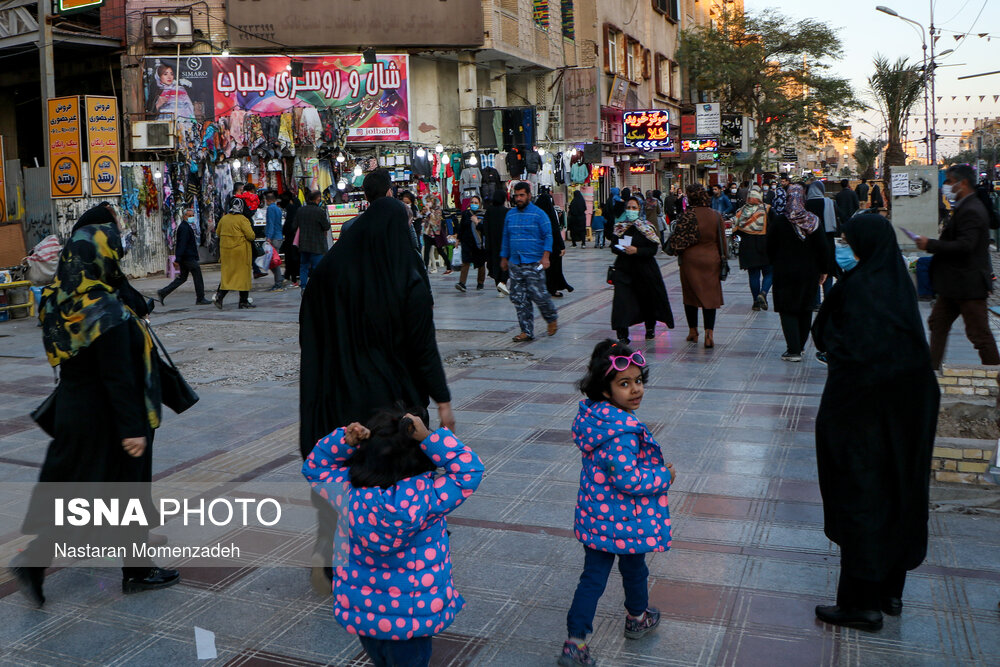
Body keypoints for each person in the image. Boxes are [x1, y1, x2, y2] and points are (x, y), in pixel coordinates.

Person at [12, 205, 180, 606]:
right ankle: (137, 570)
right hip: (109, 419)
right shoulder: (105, 311)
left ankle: (35, 562)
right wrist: (132, 430)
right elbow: (117, 375)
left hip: (75, 414)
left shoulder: (59, 302)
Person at [299, 190, 454, 593]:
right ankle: (391, 552)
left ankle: (332, 551)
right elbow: (423, 348)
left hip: (334, 391)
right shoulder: (406, 273)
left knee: (340, 467)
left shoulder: (330, 269)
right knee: (391, 472)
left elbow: (308, 331)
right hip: (388, 397)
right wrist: (442, 399)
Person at [811, 214, 940, 631]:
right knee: (899, 491)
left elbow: (849, 348)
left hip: (865, 413)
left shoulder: (862, 288)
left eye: (847, 241)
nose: (842, 247)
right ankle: (890, 591)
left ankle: (860, 604)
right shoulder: (894, 281)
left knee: (862, 498)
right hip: (908, 412)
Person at [302, 407, 483, 667]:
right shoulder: (428, 498)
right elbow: (470, 471)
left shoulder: (345, 494)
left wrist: (344, 440)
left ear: (366, 455)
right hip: (413, 621)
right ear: (418, 458)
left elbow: (315, 467)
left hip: (366, 620)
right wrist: (431, 437)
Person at [559, 340, 673, 667]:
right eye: (624, 383)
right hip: (627, 520)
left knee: (592, 578)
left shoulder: (595, 418)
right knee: (634, 568)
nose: (635, 390)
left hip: (597, 517)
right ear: (605, 390)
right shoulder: (621, 431)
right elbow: (627, 478)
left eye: (638, 381)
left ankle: (575, 642)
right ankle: (637, 617)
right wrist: (663, 477)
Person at [916, 163, 1000, 369]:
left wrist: (931, 244)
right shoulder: (965, 207)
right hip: (953, 284)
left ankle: (996, 378)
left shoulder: (972, 209)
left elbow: (966, 245)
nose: (948, 187)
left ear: (963, 183)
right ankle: (931, 372)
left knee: (979, 335)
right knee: (938, 324)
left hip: (968, 284)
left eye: (951, 182)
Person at [767, 184, 829, 362]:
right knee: (805, 307)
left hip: (784, 272)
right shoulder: (813, 221)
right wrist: (824, 269)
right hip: (809, 272)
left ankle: (793, 350)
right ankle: (800, 347)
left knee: (788, 309)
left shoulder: (780, 221)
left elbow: (769, 247)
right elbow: (823, 247)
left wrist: (775, 262)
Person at [609, 196, 674, 343]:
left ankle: (650, 328)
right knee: (622, 302)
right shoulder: (620, 227)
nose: (630, 211)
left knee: (647, 300)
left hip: (644, 271)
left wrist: (637, 251)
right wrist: (622, 249)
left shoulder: (647, 227)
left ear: (640, 209)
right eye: (629, 208)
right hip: (624, 270)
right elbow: (613, 246)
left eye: (634, 208)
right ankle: (622, 334)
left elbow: (652, 249)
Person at [501, 181, 559, 342]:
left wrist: (546, 257)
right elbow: (506, 236)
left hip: (534, 262)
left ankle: (551, 317)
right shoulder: (510, 215)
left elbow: (549, 235)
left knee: (539, 295)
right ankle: (526, 331)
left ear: (529, 196)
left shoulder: (539, 214)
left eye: (522, 195)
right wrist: (504, 257)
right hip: (515, 262)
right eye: (516, 195)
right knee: (519, 298)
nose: (518, 198)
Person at [678, 185, 727, 349]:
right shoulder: (715, 216)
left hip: (689, 260)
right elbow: (722, 241)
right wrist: (723, 258)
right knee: (710, 297)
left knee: (690, 295)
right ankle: (709, 334)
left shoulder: (687, 216)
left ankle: (693, 331)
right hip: (711, 260)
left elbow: (678, 241)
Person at [157, 206, 210, 305]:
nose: (191, 217)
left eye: (192, 215)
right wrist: (178, 259)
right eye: (189, 215)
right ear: (184, 216)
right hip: (187, 258)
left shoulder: (186, 227)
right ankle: (200, 298)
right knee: (197, 274)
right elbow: (181, 245)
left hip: (186, 257)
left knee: (182, 278)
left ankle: (163, 292)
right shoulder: (184, 228)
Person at [733, 184, 772, 312]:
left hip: (748, 247)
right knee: (770, 272)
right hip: (765, 246)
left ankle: (756, 302)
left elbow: (736, 230)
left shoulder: (741, 211)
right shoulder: (767, 209)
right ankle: (764, 293)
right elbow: (775, 227)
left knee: (753, 275)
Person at [214, 198, 257, 309]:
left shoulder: (224, 219)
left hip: (226, 253)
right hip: (240, 253)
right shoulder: (242, 219)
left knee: (228, 277)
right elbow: (251, 235)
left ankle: (220, 296)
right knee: (243, 277)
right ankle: (243, 301)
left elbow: (218, 232)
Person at [806, 180, 840, 303]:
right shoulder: (830, 202)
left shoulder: (806, 204)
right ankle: (828, 300)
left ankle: (815, 302)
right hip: (828, 240)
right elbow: (837, 222)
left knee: (814, 272)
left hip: (812, 242)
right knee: (829, 271)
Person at [537, 191, 573, 297]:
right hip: (552, 247)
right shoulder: (550, 214)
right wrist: (561, 246)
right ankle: (552, 289)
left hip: (539, 247)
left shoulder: (536, 213)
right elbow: (555, 231)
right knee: (553, 269)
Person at [296, 189, 331, 289]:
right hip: (317, 245)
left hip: (303, 244)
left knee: (303, 266)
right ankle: (316, 287)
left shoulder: (300, 210)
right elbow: (326, 226)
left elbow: (294, 225)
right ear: (317, 199)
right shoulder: (319, 211)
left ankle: (303, 287)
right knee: (317, 267)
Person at [454, 195, 488, 292]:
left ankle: (480, 283)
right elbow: (461, 228)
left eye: (476, 203)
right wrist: (458, 239)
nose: (473, 204)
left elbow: (485, 229)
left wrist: (477, 222)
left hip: (479, 243)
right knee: (466, 262)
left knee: (481, 263)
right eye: (472, 202)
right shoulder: (466, 214)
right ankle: (462, 283)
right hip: (467, 242)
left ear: (480, 204)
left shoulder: (483, 214)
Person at [484, 189, 510, 296]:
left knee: (495, 264)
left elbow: (485, 228)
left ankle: (499, 287)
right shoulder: (506, 211)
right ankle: (503, 283)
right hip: (504, 243)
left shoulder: (489, 211)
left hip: (492, 243)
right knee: (505, 264)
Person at [422, 195, 451, 274]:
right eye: (427, 201)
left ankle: (449, 265)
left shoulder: (438, 210)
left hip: (436, 234)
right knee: (426, 251)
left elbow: (436, 222)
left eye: (429, 201)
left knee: (440, 250)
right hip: (428, 233)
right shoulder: (429, 209)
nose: (427, 203)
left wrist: (429, 213)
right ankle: (425, 268)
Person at [264, 192, 285, 291]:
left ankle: (278, 282)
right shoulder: (278, 209)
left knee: (273, 261)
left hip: (274, 237)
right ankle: (279, 280)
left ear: (267, 200)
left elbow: (270, 223)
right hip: (279, 236)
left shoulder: (270, 209)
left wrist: (268, 237)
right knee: (274, 260)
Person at [280, 193, 301, 287]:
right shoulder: (297, 212)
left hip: (290, 240)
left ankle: (291, 276)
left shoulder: (290, 215)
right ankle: (291, 275)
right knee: (293, 257)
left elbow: (287, 228)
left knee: (290, 258)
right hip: (296, 240)